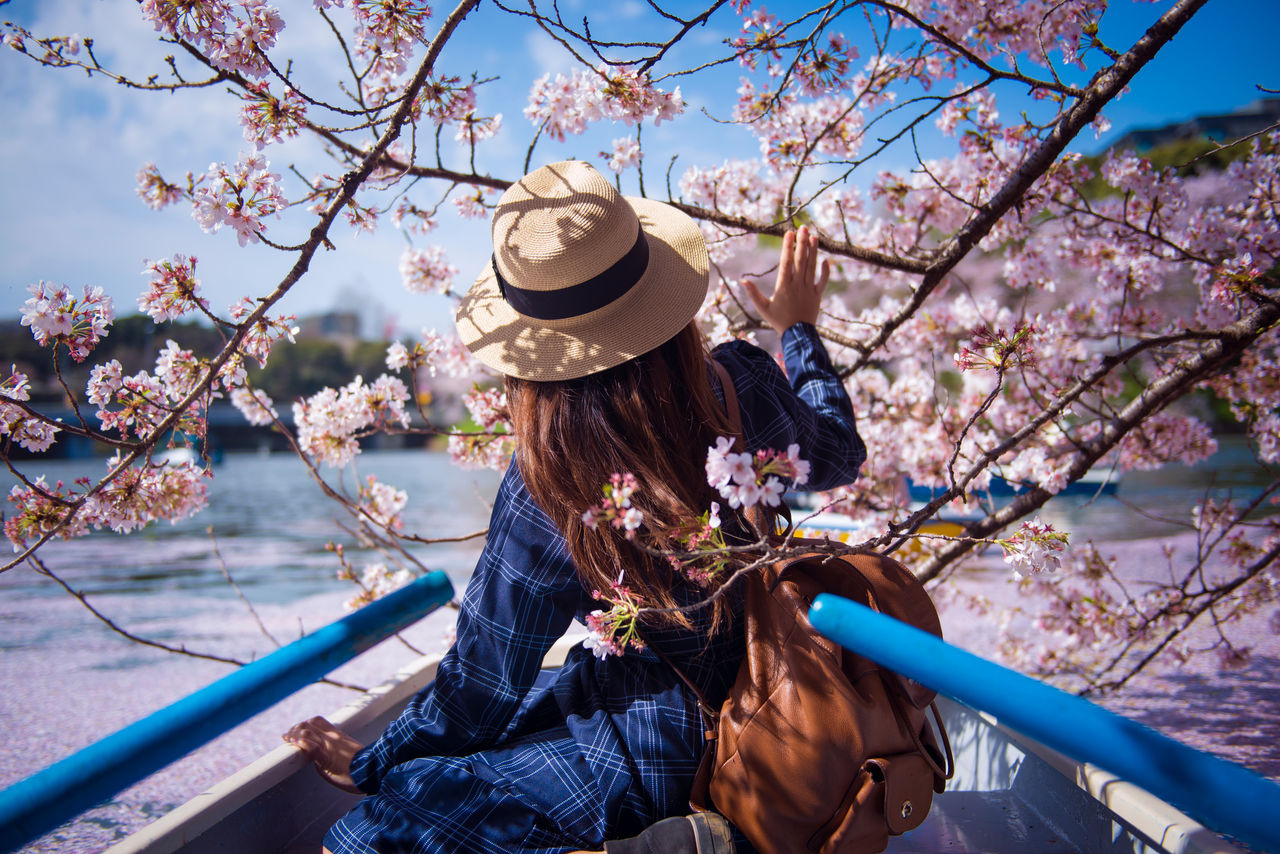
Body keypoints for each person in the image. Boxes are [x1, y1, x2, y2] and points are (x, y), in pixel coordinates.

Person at [285, 160, 865, 854]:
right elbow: (840, 449)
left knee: (369, 836)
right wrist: (799, 330)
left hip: (653, 747)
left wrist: (374, 761)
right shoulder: (741, 383)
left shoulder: (552, 478)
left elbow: (485, 685)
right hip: (773, 707)